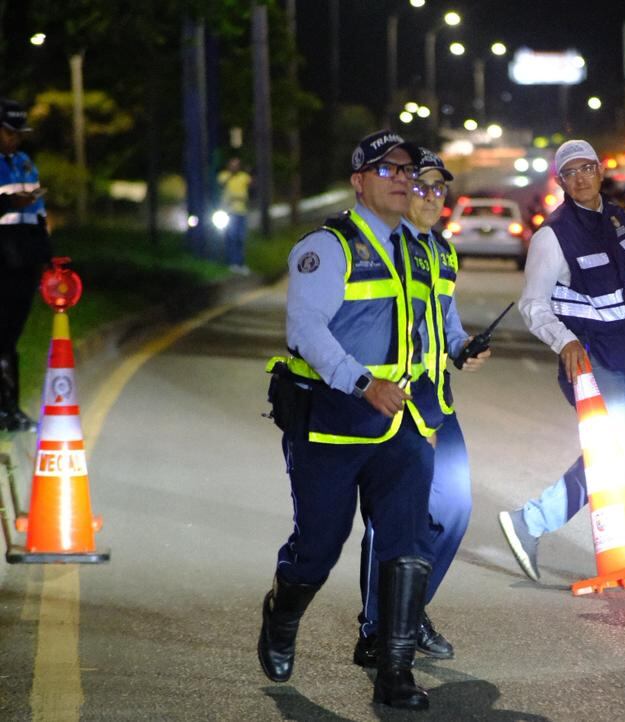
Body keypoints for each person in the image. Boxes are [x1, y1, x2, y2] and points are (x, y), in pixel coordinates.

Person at [257, 130, 440, 710]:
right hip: (333, 421)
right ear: (359, 181)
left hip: (400, 424)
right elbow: (304, 330)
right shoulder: (328, 246)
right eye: (386, 169)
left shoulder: (416, 246)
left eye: (407, 168)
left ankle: (395, 671)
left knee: (407, 544)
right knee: (320, 545)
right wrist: (363, 382)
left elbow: (426, 324)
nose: (402, 177)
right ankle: (281, 617)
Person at [498, 139, 625, 591]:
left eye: (588, 168)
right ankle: (533, 521)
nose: (581, 177)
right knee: (612, 456)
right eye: (571, 172)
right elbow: (532, 305)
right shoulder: (553, 236)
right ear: (561, 182)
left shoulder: (619, 219)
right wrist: (563, 341)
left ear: (601, 171)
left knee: (616, 457)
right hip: (587, 360)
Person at [352, 144, 488, 668]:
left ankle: (405, 613)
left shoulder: (442, 250)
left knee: (454, 509)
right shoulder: (387, 246)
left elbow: (446, 321)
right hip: (392, 402)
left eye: (439, 188)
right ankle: (376, 629)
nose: (432, 196)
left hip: (436, 401)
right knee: (393, 518)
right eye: (422, 185)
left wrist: (462, 348)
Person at [0, 99, 48, 433]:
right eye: (8, 133)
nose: (14, 140)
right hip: (1, 262)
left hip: (25, 263)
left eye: (18, 134)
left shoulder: (25, 164)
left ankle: (10, 409)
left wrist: (48, 257)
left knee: (10, 339)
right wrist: (6, 203)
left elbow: (38, 214)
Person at [217, 157, 252, 274]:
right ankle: (232, 263)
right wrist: (230, 175)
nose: (234, 167)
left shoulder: (243, 176)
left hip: (242, 211)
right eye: (232, 165)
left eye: (237, 165)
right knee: (231, 237)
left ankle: (241, 263)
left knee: (241, 238)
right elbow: (221, 184)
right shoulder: (224, 175)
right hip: (229, 212)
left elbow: (251, 183)